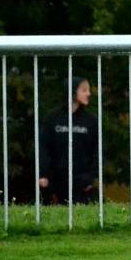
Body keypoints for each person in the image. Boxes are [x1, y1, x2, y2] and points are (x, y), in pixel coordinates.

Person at [39, 76, 99, 205]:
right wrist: (43, 174)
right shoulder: (53, 118)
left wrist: (91, 178)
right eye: (84, 90)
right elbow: (43, 147)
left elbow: (97, 152)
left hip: (82, 183)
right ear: (72, 92)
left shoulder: (91, 121)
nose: (88, 94)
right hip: (55, 182)